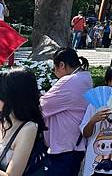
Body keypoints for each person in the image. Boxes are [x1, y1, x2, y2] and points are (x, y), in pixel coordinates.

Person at [41, 48, 93, 176]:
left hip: (65, 147)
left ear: (62, 65)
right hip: (76, 144)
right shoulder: (85, 77)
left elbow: (42, 106)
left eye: (54, 69)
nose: (55, 73)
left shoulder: (69, 81)